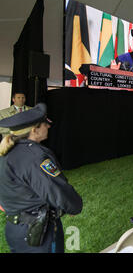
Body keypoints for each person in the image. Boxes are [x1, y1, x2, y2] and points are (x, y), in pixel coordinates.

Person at [0, 103, 83, 253]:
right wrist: (73, 205)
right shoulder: (36, 156)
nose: (49, 127)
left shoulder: (6, 153)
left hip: (15, 230)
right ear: (34, 130)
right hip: (38, 233)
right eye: (45, 123)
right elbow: (55, 189)